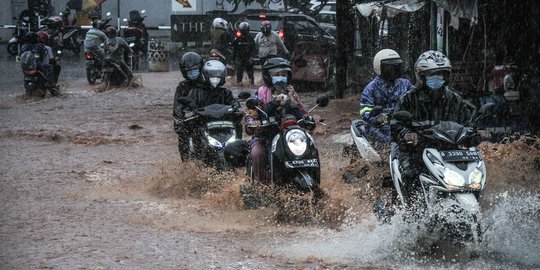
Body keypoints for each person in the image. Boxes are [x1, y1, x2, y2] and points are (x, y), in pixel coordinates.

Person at [390, 50, 485, 204]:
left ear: (446, 77)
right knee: (409, 174)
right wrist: (406, 133)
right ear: (421, 76)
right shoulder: (408, 99)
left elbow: (467, 123)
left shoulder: (454, 99)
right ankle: (411, 214)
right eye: (432, 74)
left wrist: (477, 133)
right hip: (416, 150)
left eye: (441, 74)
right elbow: (396, 124)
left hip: (448, 150)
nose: (437, 78)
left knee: (473, 174)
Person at [244, 58, 309, 184]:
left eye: (283, 75)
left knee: (309, 147)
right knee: (258, 153)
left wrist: (294, 103)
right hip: (265, 135)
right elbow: (251, 114)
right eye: (276, 75)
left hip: (290, 135)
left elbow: (302, 114)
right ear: (268, 76)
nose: (280, 78)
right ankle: (261, 186)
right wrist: (253, 122)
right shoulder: (261, 93)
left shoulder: (292, 93)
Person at [173, 58, 240, 161]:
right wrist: (183, 119)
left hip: (221, 124)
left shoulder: (225, 92)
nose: (215, 79)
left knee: (238, 127)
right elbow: (179, 108)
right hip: (201, 124)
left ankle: (238, 154)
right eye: (189, 71)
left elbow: (233, 103)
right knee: (186, 134)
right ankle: (189, 163)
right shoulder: (190, 90)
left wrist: (236, 107)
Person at [359, 49, 413, 144]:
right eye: (390, 68)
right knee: (391, 142)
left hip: (402, 122)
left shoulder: (405, 84)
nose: (394, 71)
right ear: (379, 68)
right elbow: (365, 111)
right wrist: (378, 117)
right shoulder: (371, 88)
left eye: (396, 68)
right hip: (379, 126)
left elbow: (416, 100)